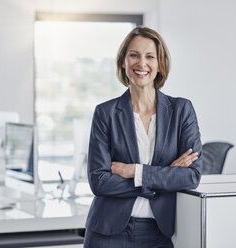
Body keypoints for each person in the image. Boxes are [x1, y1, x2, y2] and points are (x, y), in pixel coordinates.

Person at [84, 26, 203, 248]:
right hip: (107, 233)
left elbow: (192, 176)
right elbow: (99, 182)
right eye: (134, 55)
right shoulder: (105, 113)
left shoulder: (181, 110)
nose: (142, 64)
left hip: (159, 233)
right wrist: (164, 176)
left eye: (150, 56)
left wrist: (134, 171)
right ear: (123, 62)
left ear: (160, 64)